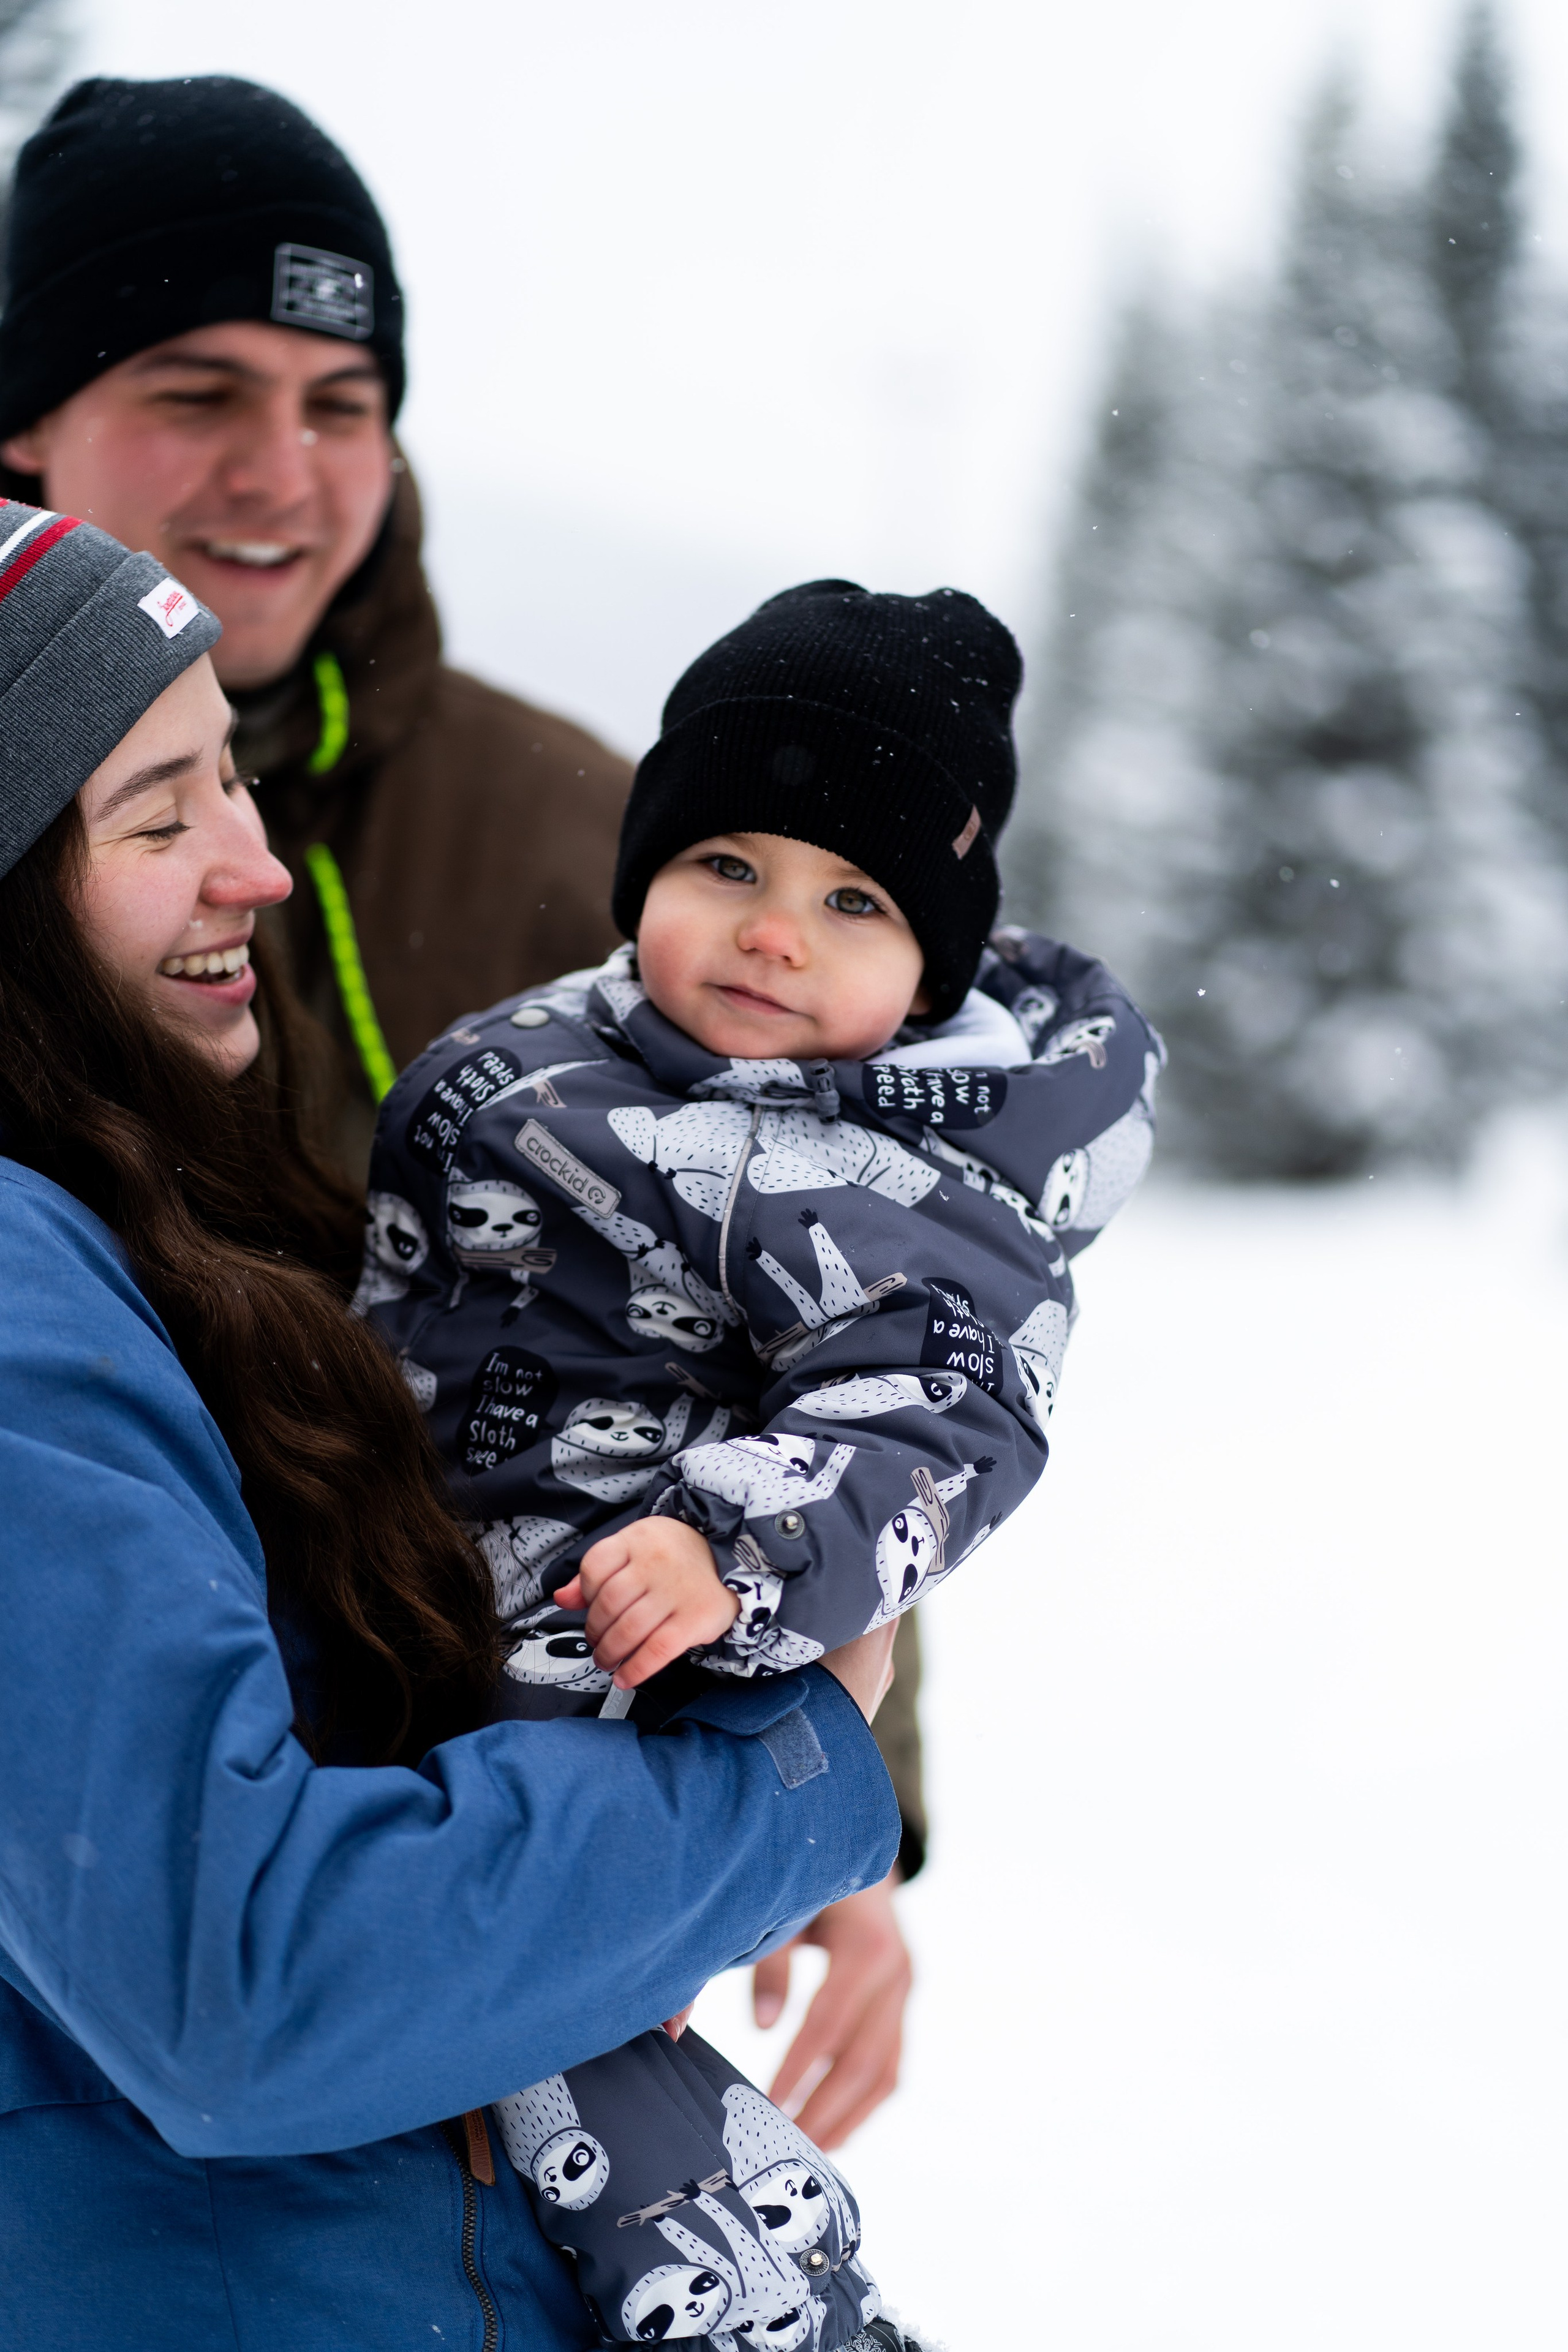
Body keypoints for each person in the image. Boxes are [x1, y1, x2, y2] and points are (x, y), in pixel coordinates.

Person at [0, 69, 929, 2130]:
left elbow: (813, 1306)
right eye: (197, 389)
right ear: (28, 426)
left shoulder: (582, 837)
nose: (282, 470)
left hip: (516, 1802)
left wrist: (835, 1791)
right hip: (203, 1897)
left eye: (344, 404)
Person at [0, 500, 907, 2352]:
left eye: (232, 783)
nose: (248, 864)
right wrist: (779, 1774)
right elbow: (240, 1984)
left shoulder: (137, 1219)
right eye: (157, 819)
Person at [364, 578, 1163, 2342]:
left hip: (634, 1646)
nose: (773, 933)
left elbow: (940, 1414)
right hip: (417, 1594)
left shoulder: (906, 1184)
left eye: (853, 900)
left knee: (574, 2053)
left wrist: (738, 1551)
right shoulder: (556, 1055)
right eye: (726, 862)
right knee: (475, 2030)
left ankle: (767, 2309)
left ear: (932, 964)